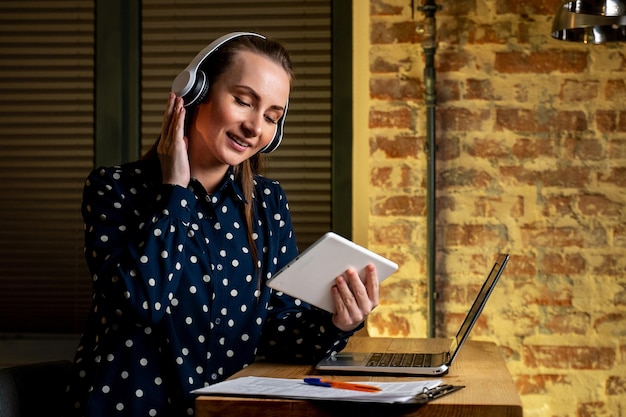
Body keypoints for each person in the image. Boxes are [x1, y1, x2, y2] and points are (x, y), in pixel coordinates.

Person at [64, 32, 380, 417]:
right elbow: (144, 304)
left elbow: (277, 330)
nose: (254, 127)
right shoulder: (114, 188)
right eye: (244, 101)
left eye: (271, 117)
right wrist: (175, 193)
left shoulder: (268, 203)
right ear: (196, 93)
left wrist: (337, 323)